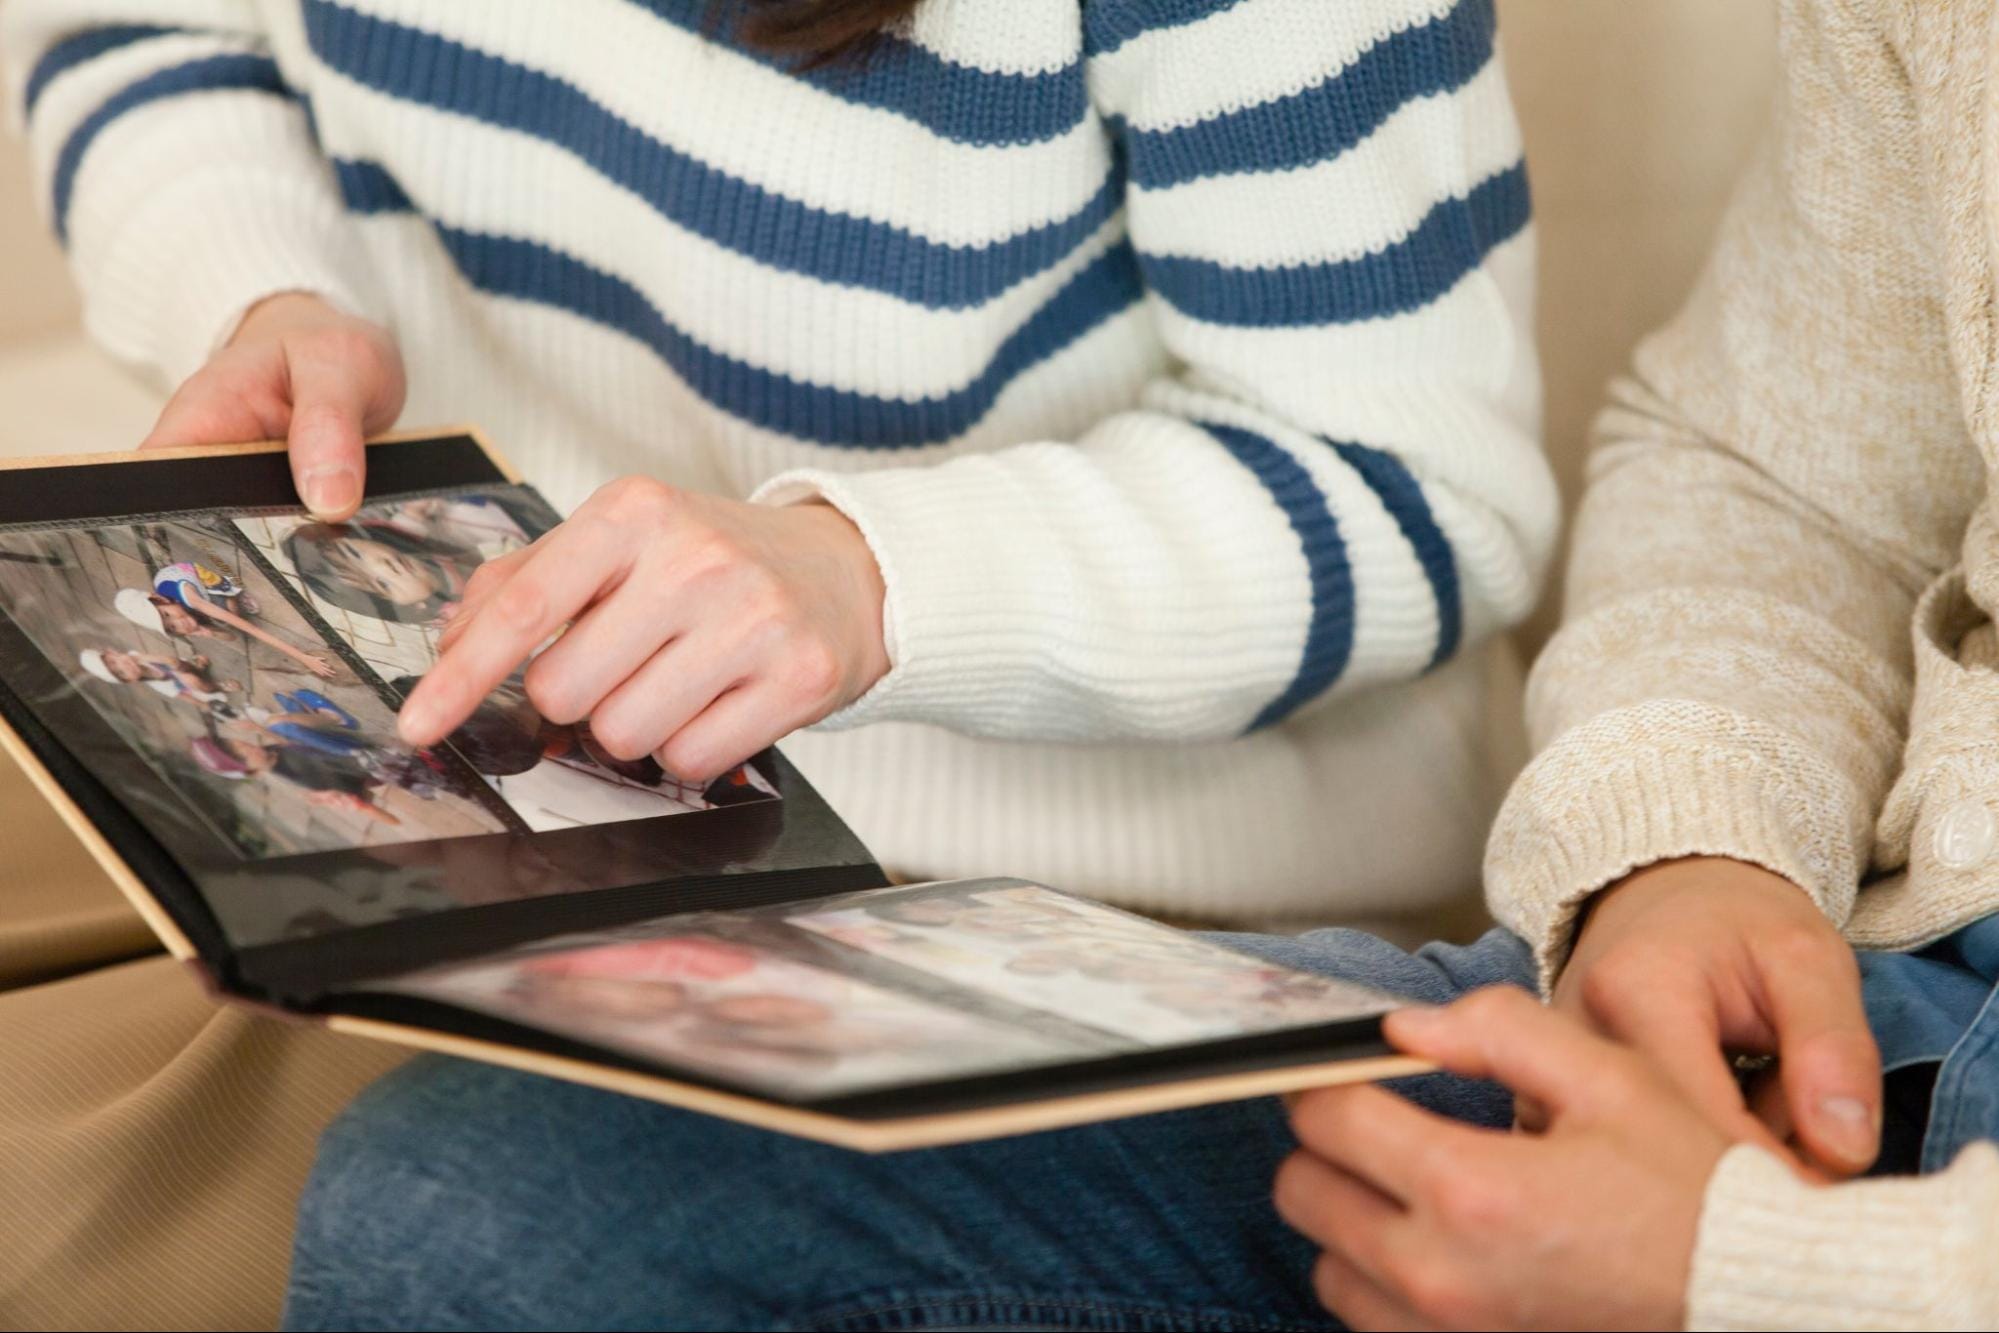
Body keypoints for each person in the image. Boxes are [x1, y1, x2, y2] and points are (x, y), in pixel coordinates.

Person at [281, 1, 1999, 1329]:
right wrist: (1683, 843)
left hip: (1121, 847)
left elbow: (1416, 481)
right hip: (1878, 956)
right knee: (457, 1210)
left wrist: (1767, 1280)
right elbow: (1787, 474)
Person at [2, 0, 1554, 1323]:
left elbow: (1424, 492)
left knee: (102, 1208)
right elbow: (134, 26)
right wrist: (259, 281)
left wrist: (875, 576)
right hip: (433, 721)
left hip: (1032, 882)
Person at [112, 560, 342, 678]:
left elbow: (249, 629)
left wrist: (303, 658)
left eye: (167, 615)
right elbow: (231, 637)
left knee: (229, 613)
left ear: (159, 599)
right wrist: (207, 632)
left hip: (194, 577)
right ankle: (222, 604)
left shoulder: (190, 599)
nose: (179, 624)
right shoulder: (180, 614)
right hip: (181, 593)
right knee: (218, 621)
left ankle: (234, 592)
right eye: (171, 627)